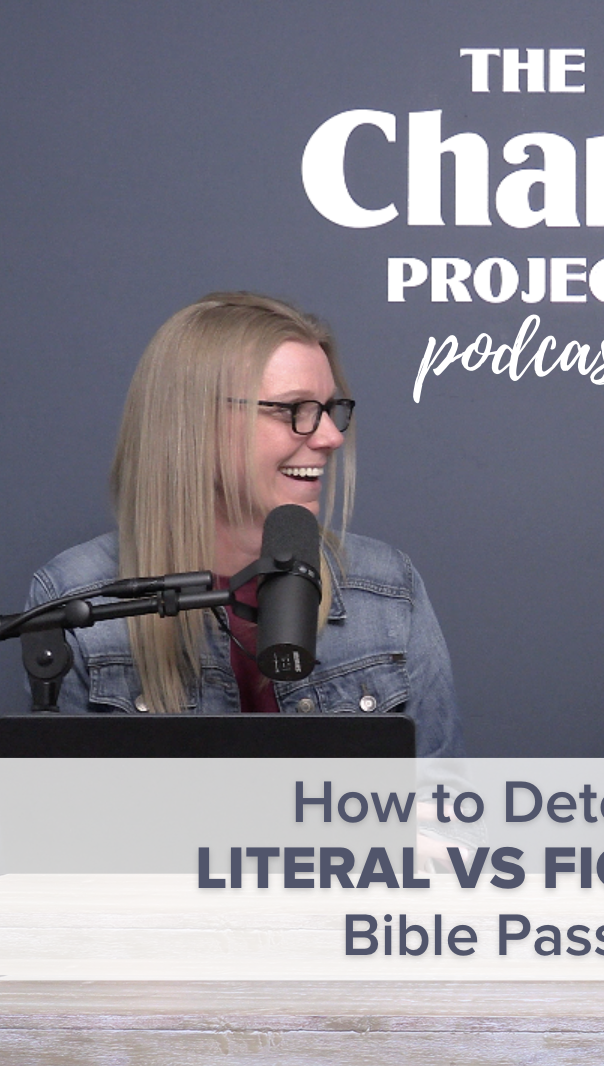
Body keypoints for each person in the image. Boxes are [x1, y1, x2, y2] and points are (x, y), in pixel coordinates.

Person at [26, 292, 464, 756]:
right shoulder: (76, 602)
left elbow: (443, 797)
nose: (332, 437)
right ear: (194, 424)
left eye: (329, 409)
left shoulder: (388, 589)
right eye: (294, 409)